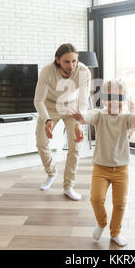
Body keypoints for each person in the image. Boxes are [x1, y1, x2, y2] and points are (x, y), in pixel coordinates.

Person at [69, 79, 135, 247]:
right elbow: (88, 116)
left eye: (119, 97)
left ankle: (115, 232)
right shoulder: (99, 115)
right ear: (104, 99)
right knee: (96, 199)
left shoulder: (126, 118)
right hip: (101, 167)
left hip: (121, 169)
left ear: (124, 100)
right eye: (110, 96)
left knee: (120, 204)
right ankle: (101, 223)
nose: (115, 101)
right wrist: (81, 117)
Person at [34, 43, 91, 201]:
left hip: (72, 107)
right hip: (50, 106)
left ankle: (68, 186)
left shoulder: (83, 71)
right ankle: (51, 173)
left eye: (74, 61)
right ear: (57, 60)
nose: (71, 66)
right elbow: (38, 100)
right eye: (67, 61)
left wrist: (79, 122)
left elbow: (83, 101)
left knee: (75, 146)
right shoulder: (47, 71)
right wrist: (46, 120)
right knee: (41, 142)